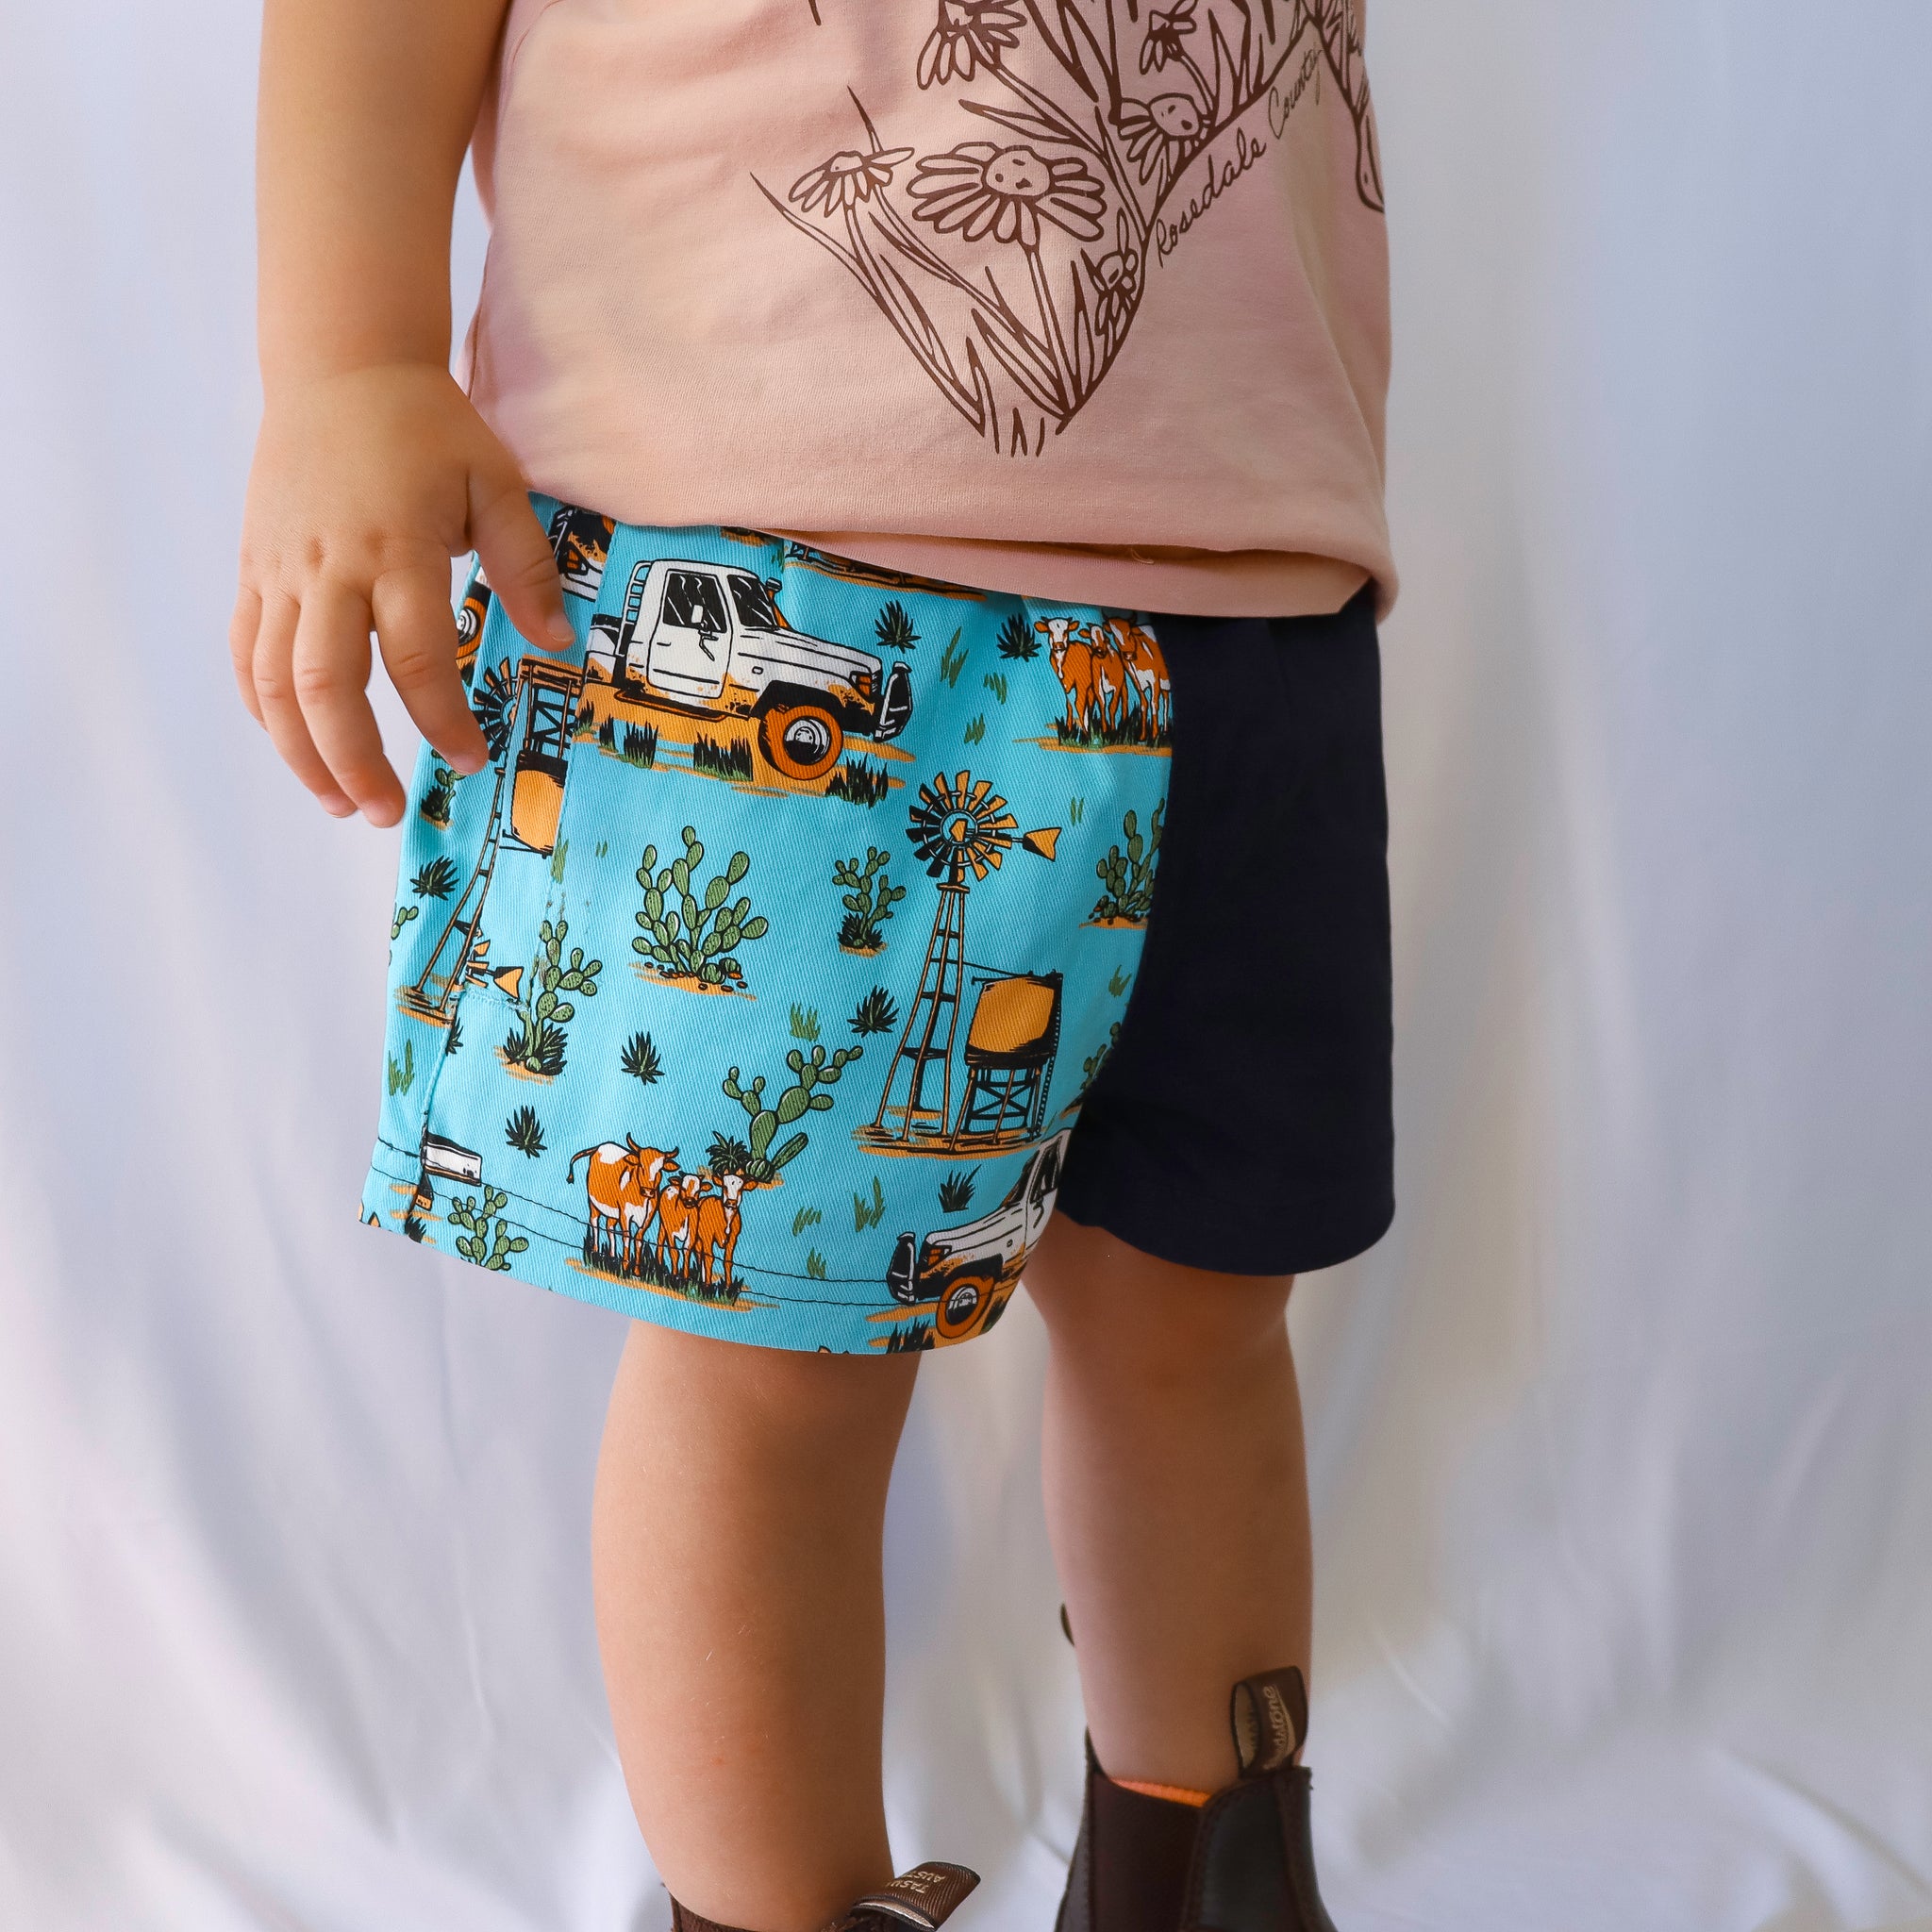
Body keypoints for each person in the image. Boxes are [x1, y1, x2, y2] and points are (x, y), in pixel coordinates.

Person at [230, 4, 1397, 1928]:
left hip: (1261, 589)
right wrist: (346, 359)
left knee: (1199, 1314)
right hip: (783, 577)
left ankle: (1208, 1885)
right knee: (767, 1361)